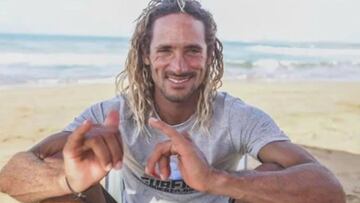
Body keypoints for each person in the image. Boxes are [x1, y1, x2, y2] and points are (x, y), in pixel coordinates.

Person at [0, 0, 345, 202]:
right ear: (146, 56)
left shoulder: (237, 117)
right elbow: (10, 176)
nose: (179, 66)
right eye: (165, 50)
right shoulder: (111, 116)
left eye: (192, 51)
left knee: (276, 173)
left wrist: (212, 178)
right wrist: (70, 181)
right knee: (61, 177)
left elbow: (328, 188)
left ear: (210, 56)